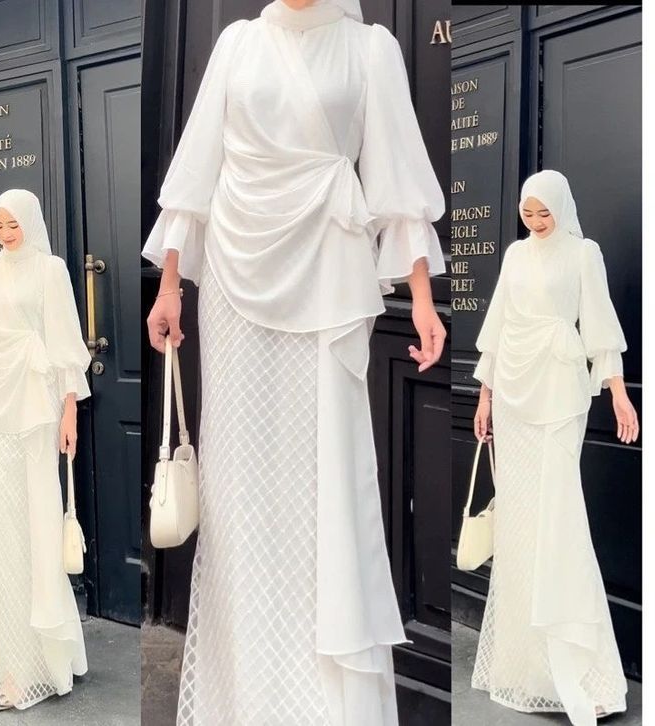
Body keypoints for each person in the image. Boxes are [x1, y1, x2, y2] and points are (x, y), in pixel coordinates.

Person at [143, 1, 447, 723]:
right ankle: (244, 696)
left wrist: (423, 299)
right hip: (234, 285)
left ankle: (322, 701)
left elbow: (399, 182)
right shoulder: (237, 43)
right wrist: (169, 286)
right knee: (240, 490)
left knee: (326, 480)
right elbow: (197, 173)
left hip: (329, 277)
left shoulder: (371, 49)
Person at [471, 170, 638, 725]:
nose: (536, 222)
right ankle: (528, 668)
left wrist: (618, 393)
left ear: (562, 208)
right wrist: (484, 398)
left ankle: (583, 672)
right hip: (513, 394)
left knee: (560, 519)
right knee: (521, 523)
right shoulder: (515, 255)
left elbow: (601, 325)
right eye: (528, 213)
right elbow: (497, 326)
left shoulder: (584, 254)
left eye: (545, 213)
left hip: (561, 392)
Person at [0, 189, 91, 711]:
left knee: (34, 525)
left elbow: (65, 344)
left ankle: (37, 663)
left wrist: (70, 411)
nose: (6, 235)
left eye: (13, 225)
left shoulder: (51, 271)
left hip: (35, 408)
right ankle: (9, 658)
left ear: (30, 223)